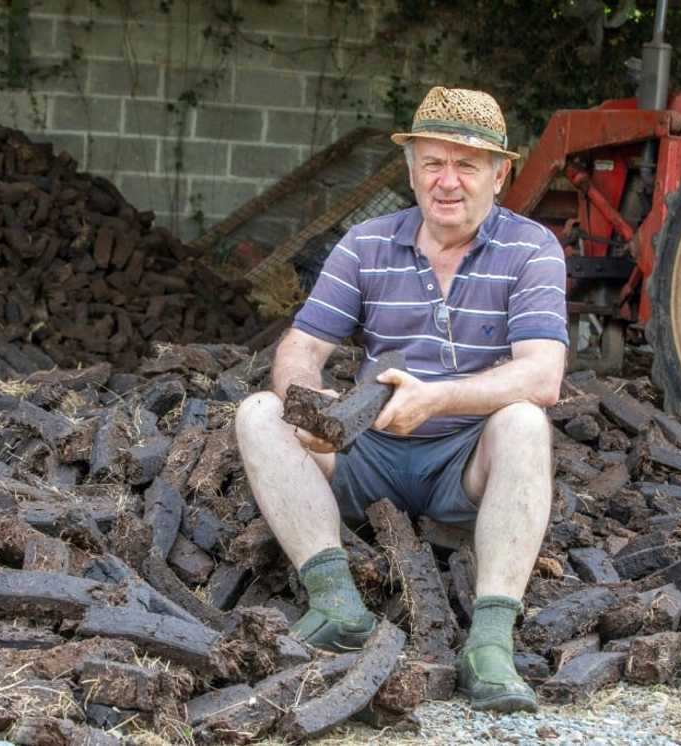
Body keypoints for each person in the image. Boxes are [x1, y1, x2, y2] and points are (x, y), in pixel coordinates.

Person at [234, 86, 568, 714]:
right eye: (433, 163)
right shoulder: (366, 243)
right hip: (369, 454)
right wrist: (312, 402)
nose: (448, 181)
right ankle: (335, 600)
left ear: (501, 173)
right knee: (259, 413)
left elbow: (542, 375)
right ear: (410, 170)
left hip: (464, 463)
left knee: (524, 422)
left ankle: (490, 643)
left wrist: (437, 400)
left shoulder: (531, 249)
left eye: (467, 165)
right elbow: (301, 344)